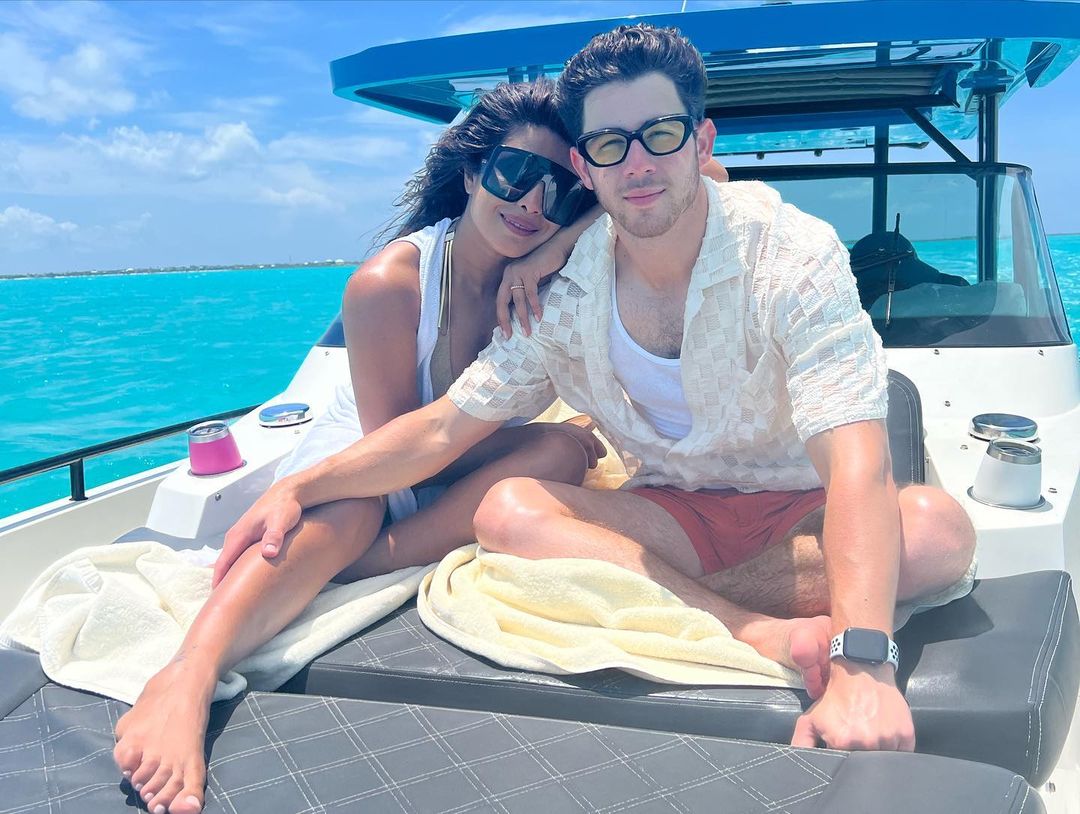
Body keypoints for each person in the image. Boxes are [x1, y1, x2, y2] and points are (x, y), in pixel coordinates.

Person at [219, 21, 976, 758]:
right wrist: (299, 487)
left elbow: (856, 460)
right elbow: (445, 426)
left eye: (661, 135)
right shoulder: (566, 296)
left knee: (937, 530)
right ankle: (745, 625)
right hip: (674, 509)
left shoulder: (791, 256)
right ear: (587, 167)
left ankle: (685, 600)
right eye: (612, 144)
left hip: (799, 504)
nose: (638, 163)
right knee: (508, 510)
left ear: (702, 143)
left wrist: (863, 664)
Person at [110, 80, 610, 814]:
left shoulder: (548, 264)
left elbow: (705, 181)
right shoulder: (391, 282)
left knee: (565, 456)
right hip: (378, 455)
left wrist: (565, 242)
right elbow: (396, 446)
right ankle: (188, 673)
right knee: (355, 506)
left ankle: (360, 564)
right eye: (515, 174)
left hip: (452, 460)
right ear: (473, 172)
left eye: (560, 192)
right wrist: (535, 433)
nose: (533, 204)